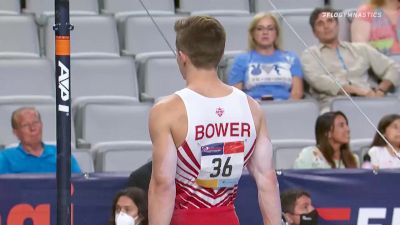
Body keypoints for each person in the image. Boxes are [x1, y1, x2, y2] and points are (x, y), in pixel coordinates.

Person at [148, 16, 281, 225]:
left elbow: (163, 184)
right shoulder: (252, 108)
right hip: (227, 217)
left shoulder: (167, 110)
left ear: (182, 57)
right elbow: (268, 180)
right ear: (219, 55)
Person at [301, 7, 399, 111]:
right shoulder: (310, 54)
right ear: (314, 33)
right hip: (334, 106)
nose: (326, 26)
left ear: (337, 25)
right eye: (320, 23)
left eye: (330, 21)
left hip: (368, 100)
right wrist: (356, 90)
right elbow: (318, 80)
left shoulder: (361, 49)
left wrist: (381, 90)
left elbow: (394, 67)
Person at [228, 12, 304, 101]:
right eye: (260, 29)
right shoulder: (241, 59)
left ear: (277, 33)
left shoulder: (291, 58)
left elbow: (297, 93)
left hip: (285, 107)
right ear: (252, 33)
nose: (265, 32)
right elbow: (236, 95)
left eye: (270, 29)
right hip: (252, 108)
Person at [0, 107, 81, 174]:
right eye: (25, 125)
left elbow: (78, 184)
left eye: (35, 123)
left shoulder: (61, 153)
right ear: (15, 132)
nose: (32, 128)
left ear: (41, 125)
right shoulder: (5, 157)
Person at [294, 111, 359, 169]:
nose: (348, 129)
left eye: (346, 125)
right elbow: (298, 180)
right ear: (328, 133)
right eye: (341, 125)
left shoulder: (354, 159)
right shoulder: (309, 155)